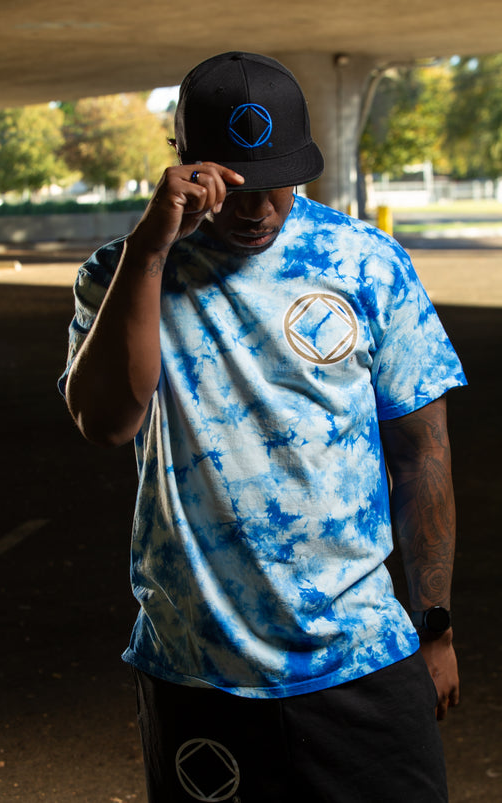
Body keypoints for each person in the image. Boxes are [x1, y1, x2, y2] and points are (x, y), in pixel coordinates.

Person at [59, 51, 467, 803]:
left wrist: (433, 626)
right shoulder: (122, 272)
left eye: (276, 182)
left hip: (358, 659)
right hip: (197, 668)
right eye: (235, 185)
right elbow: (106, 422)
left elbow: (422, 454)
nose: (256, 209)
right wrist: (151, 246)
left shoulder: (365, 264)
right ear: (185, 165)